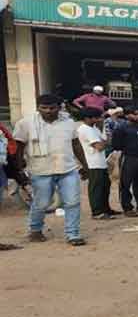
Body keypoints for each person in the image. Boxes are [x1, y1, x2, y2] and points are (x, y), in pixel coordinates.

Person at [13, 94, 89, 246]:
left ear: (59, 107)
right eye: (44, 108)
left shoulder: (68, 122)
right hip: (40, 170)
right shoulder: (25, 123)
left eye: (52, 108)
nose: (48, 111)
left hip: (67, 168)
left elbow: (76, 144)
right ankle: (35, 230)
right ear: (38, 108)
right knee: (41, 203)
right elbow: (18, 147)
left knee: (72, 202)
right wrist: (19, 169)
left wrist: (85, 165)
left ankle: (73, 234)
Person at [77, 107, 117, 220]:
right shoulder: (85, 130)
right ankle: (97, 212)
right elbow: (100, 146)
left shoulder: (94, 128)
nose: (100, 120)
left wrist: (105, 141)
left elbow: (105, 141)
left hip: (100, 162)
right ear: (87, 118)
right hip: (92, 163)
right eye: (97, 117)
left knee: (105, 186)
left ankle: (106, 209)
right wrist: (106, 142)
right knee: (96, 188)